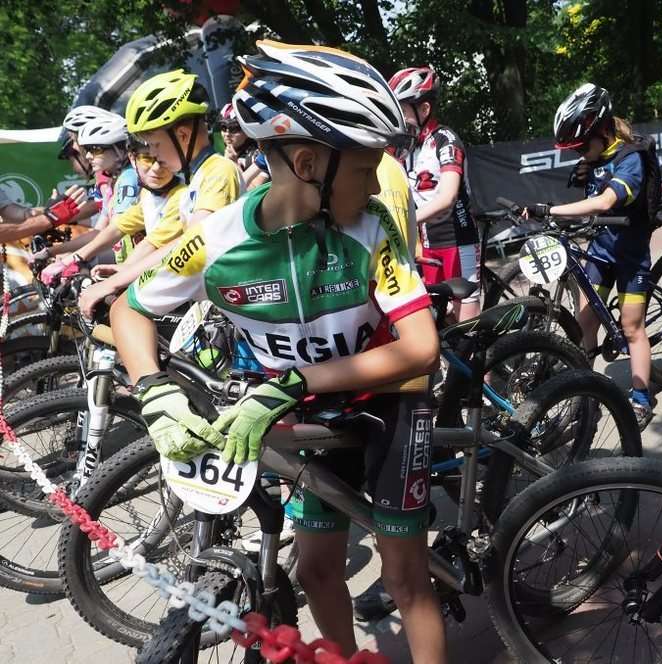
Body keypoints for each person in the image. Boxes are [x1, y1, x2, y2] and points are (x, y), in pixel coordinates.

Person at [111, 41, 446, 664]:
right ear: (307, 160)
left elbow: (421, 347)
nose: (377, 181)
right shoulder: (220, 237)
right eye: (365, 165)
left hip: (388, 402)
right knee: (318, 571)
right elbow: (129, 310)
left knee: (404, 579)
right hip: (308, 413)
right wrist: (154, 391)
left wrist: (291, 382)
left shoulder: (372, 225)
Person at [78, 69, 242, 316]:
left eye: (155, 144)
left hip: (235, 306)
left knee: (126, 314)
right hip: (219, 305)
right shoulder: (196, 179)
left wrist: (119, 281)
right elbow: (167, 242)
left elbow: (192, 244)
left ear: (183, 136)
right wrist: (127, 270)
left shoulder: (218, 171)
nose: (153, 155)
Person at [546, 82, 661, 427]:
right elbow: (589, 186)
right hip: (601, 251)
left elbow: (605, 202)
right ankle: (586, 392)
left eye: (581, 146)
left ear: (603, 130)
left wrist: (552, 210)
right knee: (585, 325)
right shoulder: (593, 158)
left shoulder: (631, 160)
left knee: (631, 327)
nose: (579, 153)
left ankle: (640, 397)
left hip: (631, 255)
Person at [388, 66, 481, 321]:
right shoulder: (408, 148)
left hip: (457, 240)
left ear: (424, 109)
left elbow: (447, 197)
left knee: (467, 327)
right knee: (439, 320)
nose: (398, 119)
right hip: (428, 245)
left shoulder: (445, 139)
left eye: (403, 110)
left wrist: (404, 221)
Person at [39, 112, 141, 282]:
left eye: (95, 149)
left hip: (135, 265)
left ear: (119, 150)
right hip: (127, 263)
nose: (86, 155)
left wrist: (70, 258)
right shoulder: (114, 180)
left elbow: (114, 230)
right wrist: (53, 252)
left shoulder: (128, 179)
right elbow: (99, 232)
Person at [218, 102, 259, 171]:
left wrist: (234, 163)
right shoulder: (221, 155)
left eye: (233, 129)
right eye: (223, 128)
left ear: (247, 131)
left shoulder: (257, 156)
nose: (227, 134)